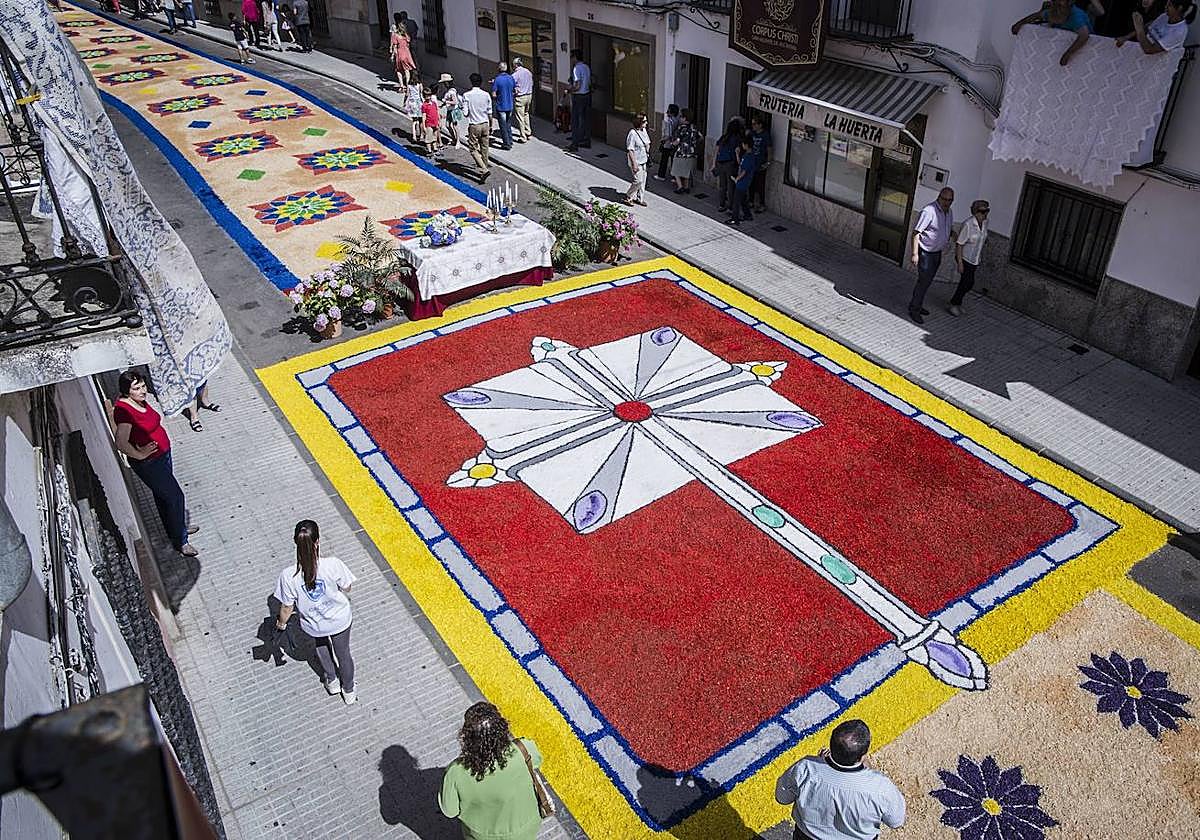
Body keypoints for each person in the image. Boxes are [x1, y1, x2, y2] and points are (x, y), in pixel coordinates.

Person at [112, 370, 198, 558]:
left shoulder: (138, 401)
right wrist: (140, 455)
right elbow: (120, 442)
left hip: (162, 455)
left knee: (163, 496)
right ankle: (181, 541)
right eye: (137, 388)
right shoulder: (124, 411)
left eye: (143, 386)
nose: (142, 391)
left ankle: (176, 529)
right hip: (150, 463)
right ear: (127, 391)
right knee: (175, 497)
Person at [775, 719, 906, 840]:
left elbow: (782, 798)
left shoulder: (805, 768)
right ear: (862, 756)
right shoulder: (880, 787)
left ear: (831, 745)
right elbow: (896, 821)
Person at [274, 520, 358, 705]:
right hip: (339, 619)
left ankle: (332, 681)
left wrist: (281, 624)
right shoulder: (333, 564)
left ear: (295, 541)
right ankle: (349, 690)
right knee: (343, 653)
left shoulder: (288, 576)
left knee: (321, 646)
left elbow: (287, 608)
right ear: (317, 541)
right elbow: (348, 587)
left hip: (314, 623)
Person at [439, 702, 545, 840]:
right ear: (502, 728)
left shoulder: (456, 772)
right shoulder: (525, 749)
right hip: (526, 827)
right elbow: (537, 761)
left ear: (468, 737)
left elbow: (450, 811)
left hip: (482, 836)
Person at [908, 187, 954, 324]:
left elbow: (947, 227)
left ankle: (918, 304)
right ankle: (914, 309)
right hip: (925, 252)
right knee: (923, 281)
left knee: (927, 281)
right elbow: (916, 233)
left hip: (936, 253)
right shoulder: (929, 211)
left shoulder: (949, 212)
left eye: (950, 200)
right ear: (939, 197)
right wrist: (915, 254)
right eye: (944, 199)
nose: (947, 203)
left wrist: (952, 234)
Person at [1012, 0, 1092, 66]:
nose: (1057, 9)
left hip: (1081, 49)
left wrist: (1067, 55)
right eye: (1055, 4)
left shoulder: (1076, 17)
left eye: (1060, 6)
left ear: (1069, 4)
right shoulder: (1053, 11)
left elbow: (1084, 35)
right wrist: (1018, 25)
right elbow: (1036, 16)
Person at [950, 200, 990, 316]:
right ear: (975, 212)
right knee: (966, 283)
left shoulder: (985, 223)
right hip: (965, 258)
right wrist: (960, 263)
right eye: (982, 211)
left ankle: (957, 302)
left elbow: (983, 237)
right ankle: (954, 304)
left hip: (975, 259)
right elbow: (960, 244)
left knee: (968, 283)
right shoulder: (968, 224)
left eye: (987, 211)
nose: (985, 214)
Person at [1116, 0, 1195, 51]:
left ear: (1179, 8)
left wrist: (1139, 28)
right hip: (1141, 49)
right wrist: (1125, 37)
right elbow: (1148, 27)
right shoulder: (1165, 16)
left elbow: (1149, 49)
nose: (1166, 6)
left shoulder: (1179, 31)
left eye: (1169, 5)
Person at [462, 73, 493, 181]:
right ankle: (484, 167)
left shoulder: (467, 95)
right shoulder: (486, 94)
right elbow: (490, 112)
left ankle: (484, 169)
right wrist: (491, 125)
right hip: (485, 123)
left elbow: (465, 113)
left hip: (474, 125)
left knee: (473, 149)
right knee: (485, 148)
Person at [711, 117, 744, 213]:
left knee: (722, 185)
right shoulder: (737, 139)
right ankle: (730, 207)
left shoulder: (723, 137)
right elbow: (737, 152)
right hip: (730, 164)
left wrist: (714, 164)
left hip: (721, 163)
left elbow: (716, 150)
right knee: (731, 187)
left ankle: (721, 205)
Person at [670, 108, 701, 194]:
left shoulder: (681, 128)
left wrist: (672, 144)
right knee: (686, 170)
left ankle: (680, 187)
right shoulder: (694, 127)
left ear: (684, 118)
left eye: (681, 116)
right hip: (691, 152)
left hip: (682, 152)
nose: (679, 118)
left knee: (675, 170)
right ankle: (686, 187)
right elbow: (700, 137)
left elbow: (678, 141)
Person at [566, 50, 591, 152]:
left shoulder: (577, 68)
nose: (571, 59)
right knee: (585, 119)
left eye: (572, 57)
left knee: (575, 120)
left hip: (578, 96)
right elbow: (589, 82)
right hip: (587, 95)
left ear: (575, 57)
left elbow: (577, 85)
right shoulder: (586, 67)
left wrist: (569, 90)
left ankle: (574, 144)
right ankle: (585, 140)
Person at [624, 112, 651, 207]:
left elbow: (647, 142)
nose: (646, 123)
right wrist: (634, 164)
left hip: (644, 160)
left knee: (643, 181)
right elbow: (630, 150)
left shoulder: (644, 130)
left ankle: (640, 198)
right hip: (636, 161)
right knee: (638, 181)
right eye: (644, 121)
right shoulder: (632, 133)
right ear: (639, 122)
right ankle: (628, 196)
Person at [728, 135, 755, 225]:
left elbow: (744, 171)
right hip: (742, 182)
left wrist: (737, 179)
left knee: (736, 201)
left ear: (747, 145)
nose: (742, 146)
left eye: (743, 144)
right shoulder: (746, 155)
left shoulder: (750, 157)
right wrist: (737, 154)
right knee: (743, 200)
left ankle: (734, 219)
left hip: (742, 182)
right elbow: (741, 164)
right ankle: (748, 215)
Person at [748, 114, 772, 212]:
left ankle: (762, 204)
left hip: (760, 164)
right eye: (752, 124)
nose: (753, 126)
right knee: (751, 183)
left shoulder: (765, 135)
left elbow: (769, 149)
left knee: (760, 185)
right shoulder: (752, 134)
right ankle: (751, 201)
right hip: (752, 163)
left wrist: (768, 162)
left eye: (754, 124)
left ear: (760, 125)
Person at [492, 63, 516, 150]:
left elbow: (494, 94)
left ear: (499, 69)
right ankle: (510, 140)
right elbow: (515, 90)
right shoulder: (511, 78)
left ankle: (506, 144)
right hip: (510, 105)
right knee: (508, 124)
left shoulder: (497, 80)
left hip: (501, 106)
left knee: (503, 126)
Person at [655, 103, 681, 182]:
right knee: (674, 160)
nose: (667, 112)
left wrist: (662, 140)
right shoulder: (678, 120)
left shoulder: (668, 121)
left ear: (670, 112)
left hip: (668, 143)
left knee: (664, 159)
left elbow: (668, 134)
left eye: (668, 110)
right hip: (675, 142)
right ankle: (674, 177)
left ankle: (661, 175)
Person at [390, 12, 417, 86]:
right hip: (407, 53)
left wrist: (392, 55)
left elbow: (395, 46)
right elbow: (409, 41)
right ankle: (409, 83)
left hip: (400, 53)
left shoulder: (395, 35)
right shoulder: (406, 36)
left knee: (398, 70)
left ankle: (402, 85)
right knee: (407, 69)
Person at [511, 57, 534, 143]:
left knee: (520, 118)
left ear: (515, 65)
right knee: (526, 114)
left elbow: (511, 84)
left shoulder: (515, 75)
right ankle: (528, 132)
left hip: (520, 97)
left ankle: (523, 136)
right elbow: (532, 83)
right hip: (529, 96)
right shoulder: (528, 72)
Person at [436, 73, 462, 147]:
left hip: (454, 110)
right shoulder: (450, 90)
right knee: (447, 125)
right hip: (450, 110)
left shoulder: (451, 91)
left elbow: (455, 102)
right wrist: (443, 105)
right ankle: (454, 139)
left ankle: (458, 141)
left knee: (455, 125)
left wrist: (445, 101)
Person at [421, 87, 442, 155]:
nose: (428, 97)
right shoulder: (424, 105)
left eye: (429, 96)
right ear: (424, 97)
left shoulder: (434, 103)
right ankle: (429, 150)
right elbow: (424, 116)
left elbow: (437, 112)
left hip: (435, 123)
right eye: (426, 96)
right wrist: (424, 126)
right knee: (429, 137)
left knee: (434, 137)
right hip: (429, 124)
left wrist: (439, 121)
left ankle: (435, 148)